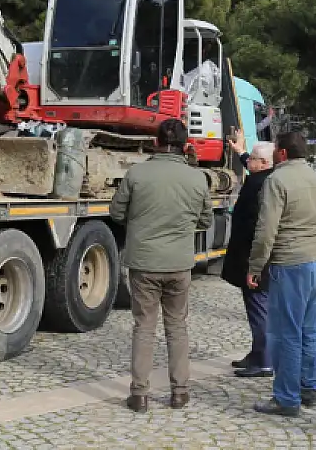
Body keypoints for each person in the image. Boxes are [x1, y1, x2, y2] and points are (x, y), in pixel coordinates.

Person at [109, 119, 213, 414]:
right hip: (179, 262)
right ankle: (179, 392)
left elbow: (116, 211)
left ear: (156, 142)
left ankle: (139, 395)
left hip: (144, 261)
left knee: (144, 326)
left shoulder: (137, 173)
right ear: (185, 145)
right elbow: (206, 220)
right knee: (177, 326)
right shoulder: (197, 178)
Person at [247, 131, 316, 417]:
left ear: (281, 153)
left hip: (291, 261)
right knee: (310, 330)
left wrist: (256, 266)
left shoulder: (277, 180)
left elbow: (266, 229)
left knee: (286, 334)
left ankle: (286, 397)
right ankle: (308, 388)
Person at [222, 131, 276, 378]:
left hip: (255, 258)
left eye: (253, 158)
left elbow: (256, 227)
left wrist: (252, 265)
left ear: (264, 164)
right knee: (256, 308)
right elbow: (253, 164)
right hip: (257, 257)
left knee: (259, 309)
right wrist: (241, 151)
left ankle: (264, 360)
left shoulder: (258, 184)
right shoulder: (269, 176)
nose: (249, 162)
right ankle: (257, 353)